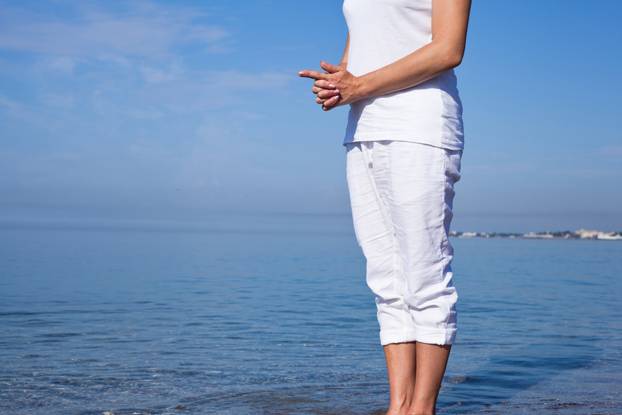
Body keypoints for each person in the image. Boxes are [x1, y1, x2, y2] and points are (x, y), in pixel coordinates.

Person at [298, 0, 471, 414]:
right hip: (363, 130)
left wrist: (361, 86)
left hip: (419, 129)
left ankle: (422, 408)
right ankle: (399, 406)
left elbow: (448, 49)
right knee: (387, 280)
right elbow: (360, 54)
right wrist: (339, 83)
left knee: (424, 276)